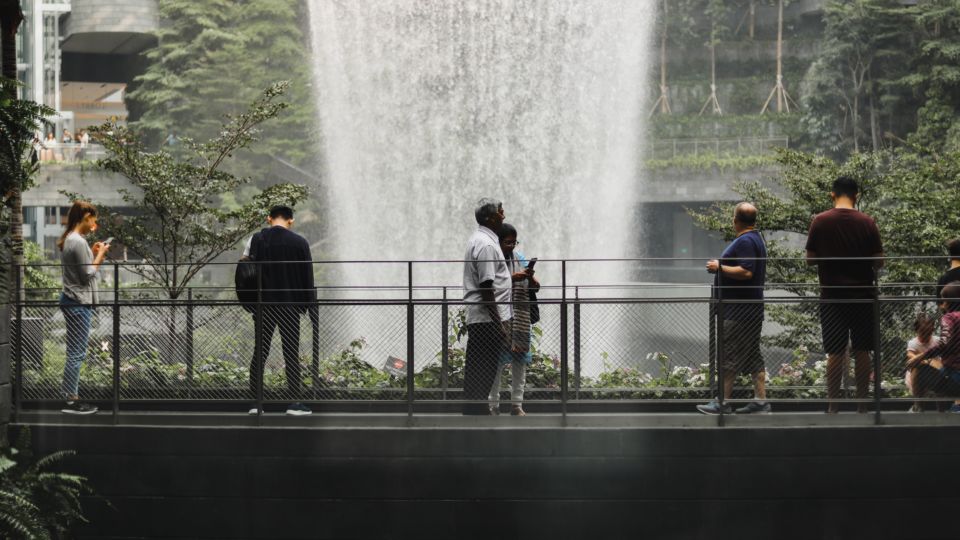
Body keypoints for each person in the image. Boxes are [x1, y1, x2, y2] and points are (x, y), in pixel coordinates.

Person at [806, 176, 884, 413]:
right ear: (856, 195)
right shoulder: (868, 222)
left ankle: (833, 406)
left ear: (832, 194)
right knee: (863, 350)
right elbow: (879, 262)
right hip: (863, 295)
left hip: (832, 297)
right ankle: (862, 405)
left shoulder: (820, 221)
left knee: (835, 352)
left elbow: (810, 260)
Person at [697, 202, 769, 415]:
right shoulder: (756, 238)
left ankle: (723, 402)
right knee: (753, 356)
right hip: (750, 309)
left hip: (739, 311)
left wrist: (719, 267)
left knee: (728, 355)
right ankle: (761, 401)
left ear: (735, 220)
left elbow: (747, 271)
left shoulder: (746, 240)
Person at [247, 205, 316, 416]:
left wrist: (251, 302)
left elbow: (246, 270)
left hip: (263, 305)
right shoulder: (300, 242)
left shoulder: (257, 240)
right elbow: (308, 277)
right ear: (290, 221)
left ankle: (256, 404)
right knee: (291, 353)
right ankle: (294, 403)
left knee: (260, 352)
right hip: (290, 306)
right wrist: (308, 306)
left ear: (269, 219)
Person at [462, 198, 512, 415]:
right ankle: (477, 412)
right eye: (501, 212)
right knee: (484, 367)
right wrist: (499, 322)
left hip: (483, 317)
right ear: (491, 217)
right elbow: (486, 286)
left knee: (479, 366)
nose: (504, 215)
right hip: (487, 318)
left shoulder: (480, 240)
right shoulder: (487, 245)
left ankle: (475, 410)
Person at [58, 201, 108, 414]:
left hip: (72, 300)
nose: (94, 224)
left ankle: (70, 397)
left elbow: (83, 267)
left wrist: (93, 251)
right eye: (93, 220)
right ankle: (71, 400)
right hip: (78, 302)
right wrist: (101, 254)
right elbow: (87, 274)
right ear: (85, 217)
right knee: (77, 354)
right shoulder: (77, 241)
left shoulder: (74, 239)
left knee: (74, 352)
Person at [488, 223, 538, 416]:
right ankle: (493, 404)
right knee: (497, 363)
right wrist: (513, 278)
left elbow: (536, 287)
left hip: (520, 316)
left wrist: (531, 278)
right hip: (500, 316)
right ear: (498, 242)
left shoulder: (519, 258)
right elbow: (490, 284)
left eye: (514, 242)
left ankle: (517, 404)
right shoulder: (493, 260)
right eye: (508, 242)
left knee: (519, 361)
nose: (512, 246)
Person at [907, 282, 960, 412]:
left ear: (947, 302)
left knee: (919, 369)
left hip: (954, 378)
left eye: (942, 301)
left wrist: (921, 356)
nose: (941, 304)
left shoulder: (949, 318)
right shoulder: (913, 343)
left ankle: (918, 407)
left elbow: (944, 343)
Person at [905, 312, 940, 412]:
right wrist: (924, 360)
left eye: (928, 333)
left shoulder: (937, 341)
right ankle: (918, 405)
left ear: (932, 330)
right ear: (917, 330)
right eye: (922, 332)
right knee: (915, 366)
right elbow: (910, 355)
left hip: (935, 372)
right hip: (918, 374)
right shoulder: (913, 343)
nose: (925, 335)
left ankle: (940, 409)